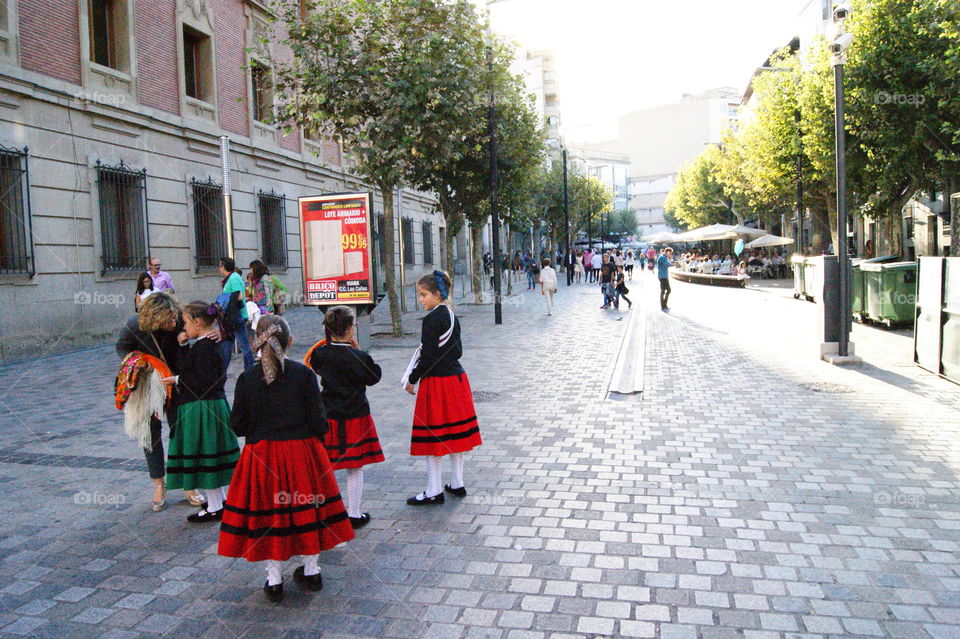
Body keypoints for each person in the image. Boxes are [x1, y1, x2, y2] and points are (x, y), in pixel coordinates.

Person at [219, 315, 355, 602]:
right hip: (302, 454)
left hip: (262, 457)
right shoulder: (304, 375)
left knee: (270, 517)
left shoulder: (246, 379)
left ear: (257, 343)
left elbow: (238, 425)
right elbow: (320, 422)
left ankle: (274, 579)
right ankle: (312, 571)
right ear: (290, 341)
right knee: (307, 512)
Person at [115, 292, 205, 511]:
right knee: (150, 434)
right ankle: (159, 485)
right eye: (167, 321)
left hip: (174, 382)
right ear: (154, 320)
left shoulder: (178, 323)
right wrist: (139, 363)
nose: (173, 323)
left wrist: (184, 344)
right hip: (147, 385)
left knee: (180, 432)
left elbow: (187, 356)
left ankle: (188, 485)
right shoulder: (135, 325)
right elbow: (122, 348)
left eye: (174, 318)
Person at [402, 271, 482, 505]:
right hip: (456, 380)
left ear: (437, 294)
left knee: (432, 436)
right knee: (456, 434)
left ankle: (433, 490)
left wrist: (412, 378)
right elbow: (458, 352)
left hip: (436, 383)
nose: (420, 300)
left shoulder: (431, 319)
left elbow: (428, 356)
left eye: (423, 294)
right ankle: (457, 483)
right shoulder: (451, 314)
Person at [161, 301, 239, 523]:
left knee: (207, 457)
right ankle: (220, 501)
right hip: (212, 404)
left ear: (197, 322)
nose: (183, 327)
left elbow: (200, 380)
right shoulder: (212, 343)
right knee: (212, 455)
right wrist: (185, 347)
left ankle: (215, 506)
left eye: (185, 322)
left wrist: (176, 379)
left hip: (201, 407)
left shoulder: (205, 346)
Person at [308, 306, 384, 529]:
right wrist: (360, 352)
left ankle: (324, 511)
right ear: (351, 329)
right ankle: (354, 513)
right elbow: (374, 377)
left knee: (325, 465)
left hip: (329, 415)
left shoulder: (320, 353)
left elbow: (315, 366)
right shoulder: (359, 357)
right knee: (355, 467)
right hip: (356, 416)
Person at [218, 257, 255, 371]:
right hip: (231, 316)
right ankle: (222, 369)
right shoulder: (232, 277)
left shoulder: (233, 278)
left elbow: (238, 296)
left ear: (223, 267)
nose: (219, 268)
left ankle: (249, 370)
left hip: (236, 316)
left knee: (244, 345)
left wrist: (224, 301)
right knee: (227, 343)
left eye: (220, 266)